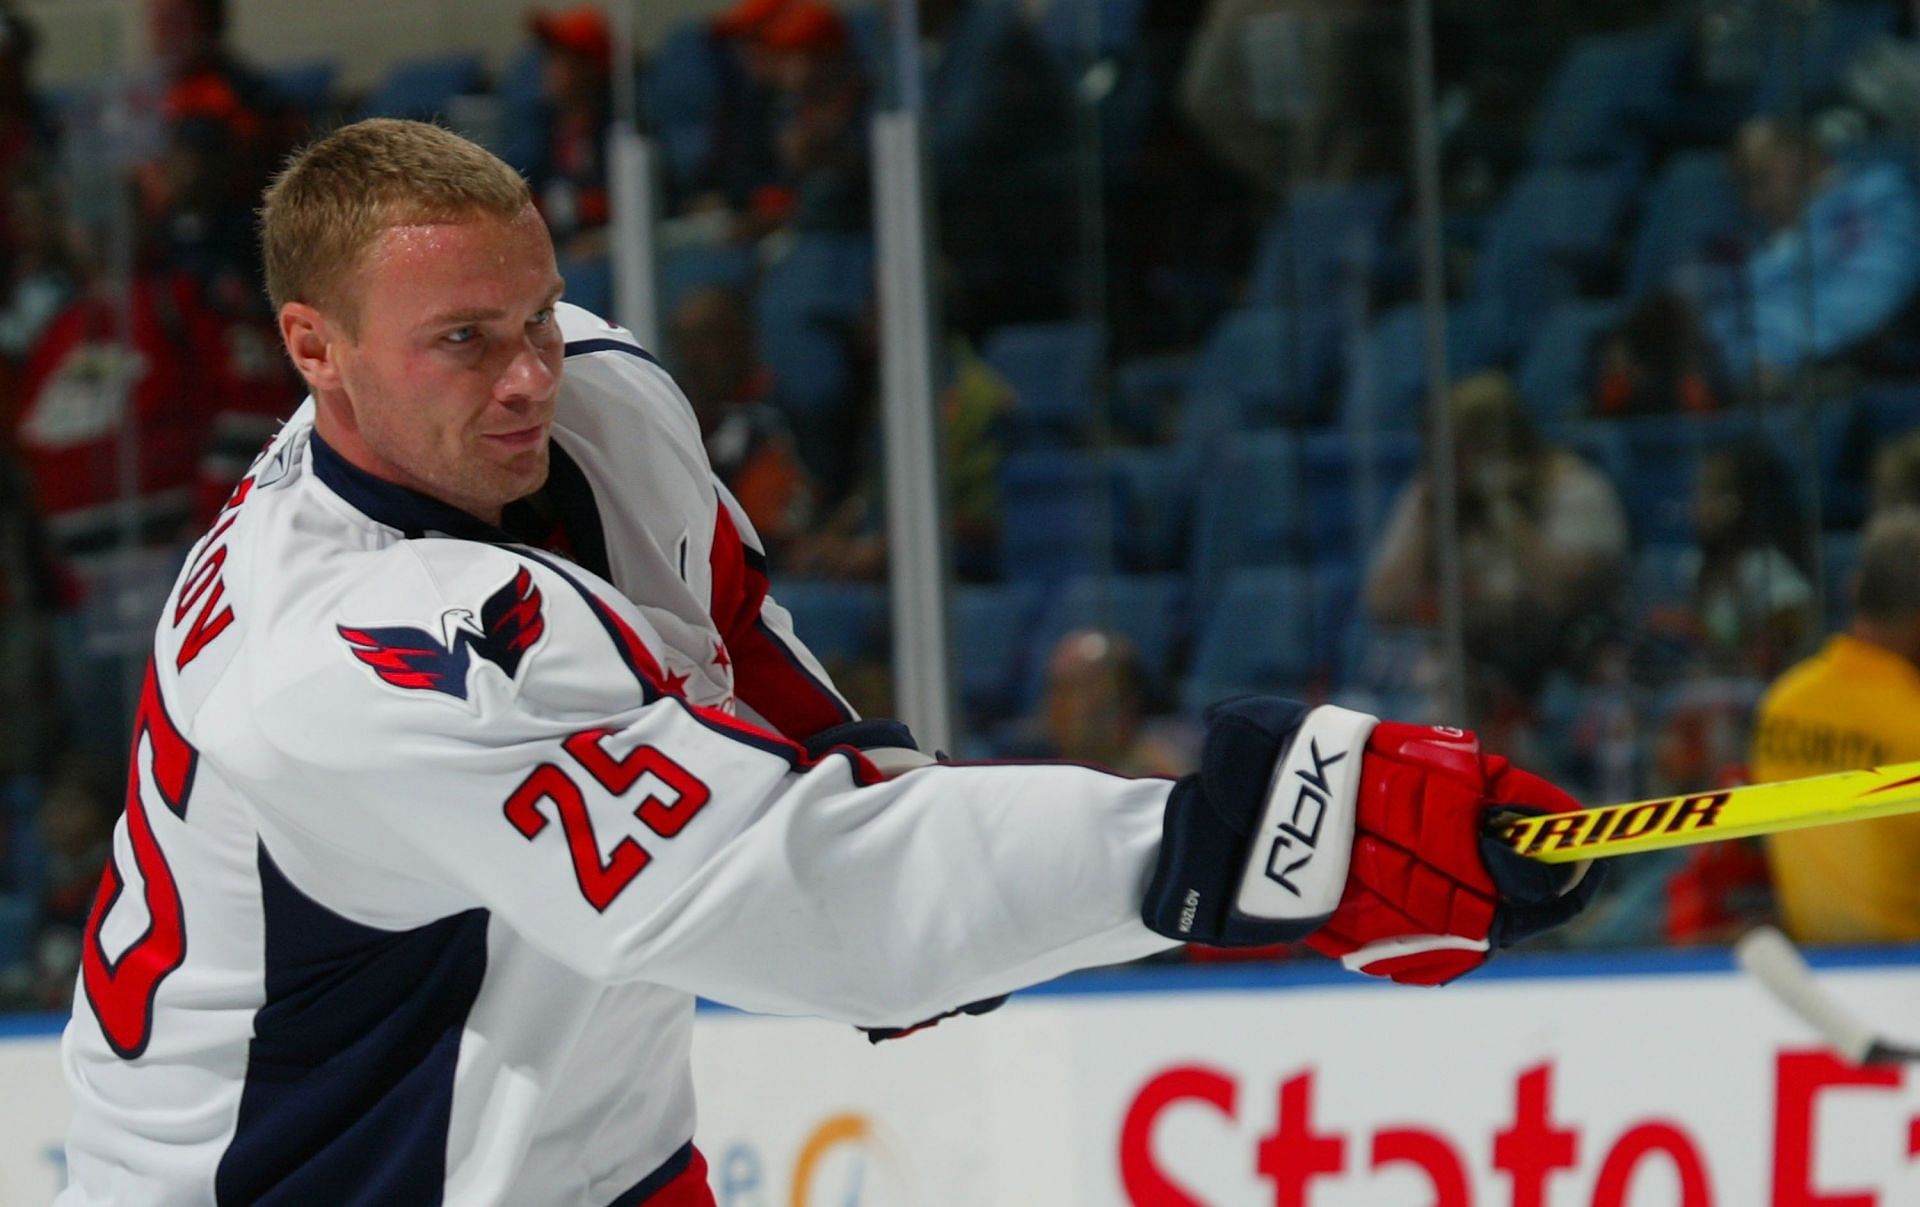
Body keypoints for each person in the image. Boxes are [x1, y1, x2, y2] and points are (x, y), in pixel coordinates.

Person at [58, 119, 1600, 1204]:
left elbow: (748, 681)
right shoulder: (340, 664)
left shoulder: (592, 387)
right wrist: (1254, 838)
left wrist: (941, 871)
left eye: (533, 309)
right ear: (312, 350)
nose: (529, 370)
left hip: (584, 1147)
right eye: (464, 339)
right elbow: (795, 884)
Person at [1364, 371, 1629, 736]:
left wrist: (1505, 509)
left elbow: (1561, 595)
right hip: (1465, 674)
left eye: (1474, 448)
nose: (1464, 464)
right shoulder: (1431, 496)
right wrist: (1431, 513)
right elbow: (1384, 605)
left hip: (1562, 675)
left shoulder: (1573, 486)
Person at [1750, 510, 1920, 944]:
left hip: (1817, 963)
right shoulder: (1910, 721)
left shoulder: (1782, 703)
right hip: (1903, 967)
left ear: (1855, 589)